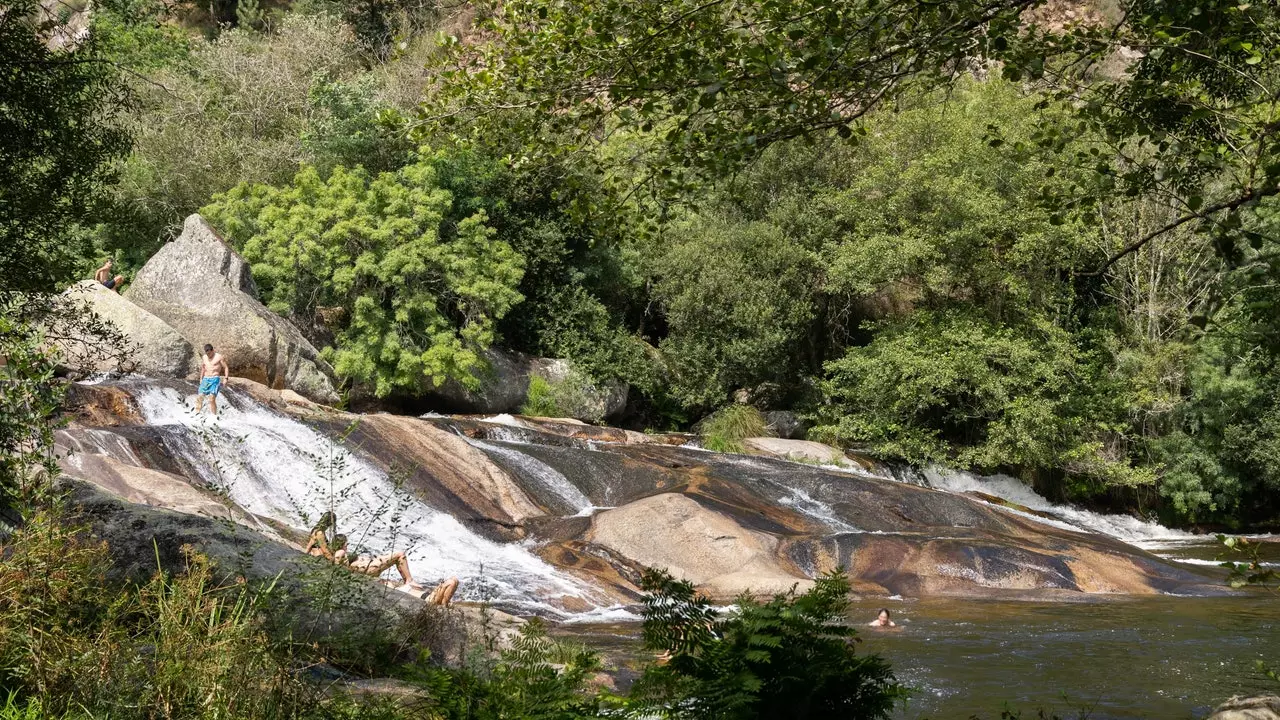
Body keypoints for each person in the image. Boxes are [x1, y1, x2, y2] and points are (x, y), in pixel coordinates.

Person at [331, 533, 460, 606]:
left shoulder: (341, 553)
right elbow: (338, 565)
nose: (347, 545)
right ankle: (443, 604)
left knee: (452, 582)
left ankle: (443, 603)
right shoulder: (341, 552)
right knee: (453, 581)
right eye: (346, 543)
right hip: (425, 598)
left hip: (422, 596)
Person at [194, 344, 228, 416]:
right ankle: (196, 415)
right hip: (206, 379)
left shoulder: (219, 357)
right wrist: (201, 378)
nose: (208, 355)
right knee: (200, 397)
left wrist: (226, 378)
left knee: (211, 399)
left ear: (213, 350)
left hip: (215, 379)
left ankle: (214, 416)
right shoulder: (204, 357)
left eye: (209, 353)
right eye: (207, 353)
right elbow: (203, 368)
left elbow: (226, 367)